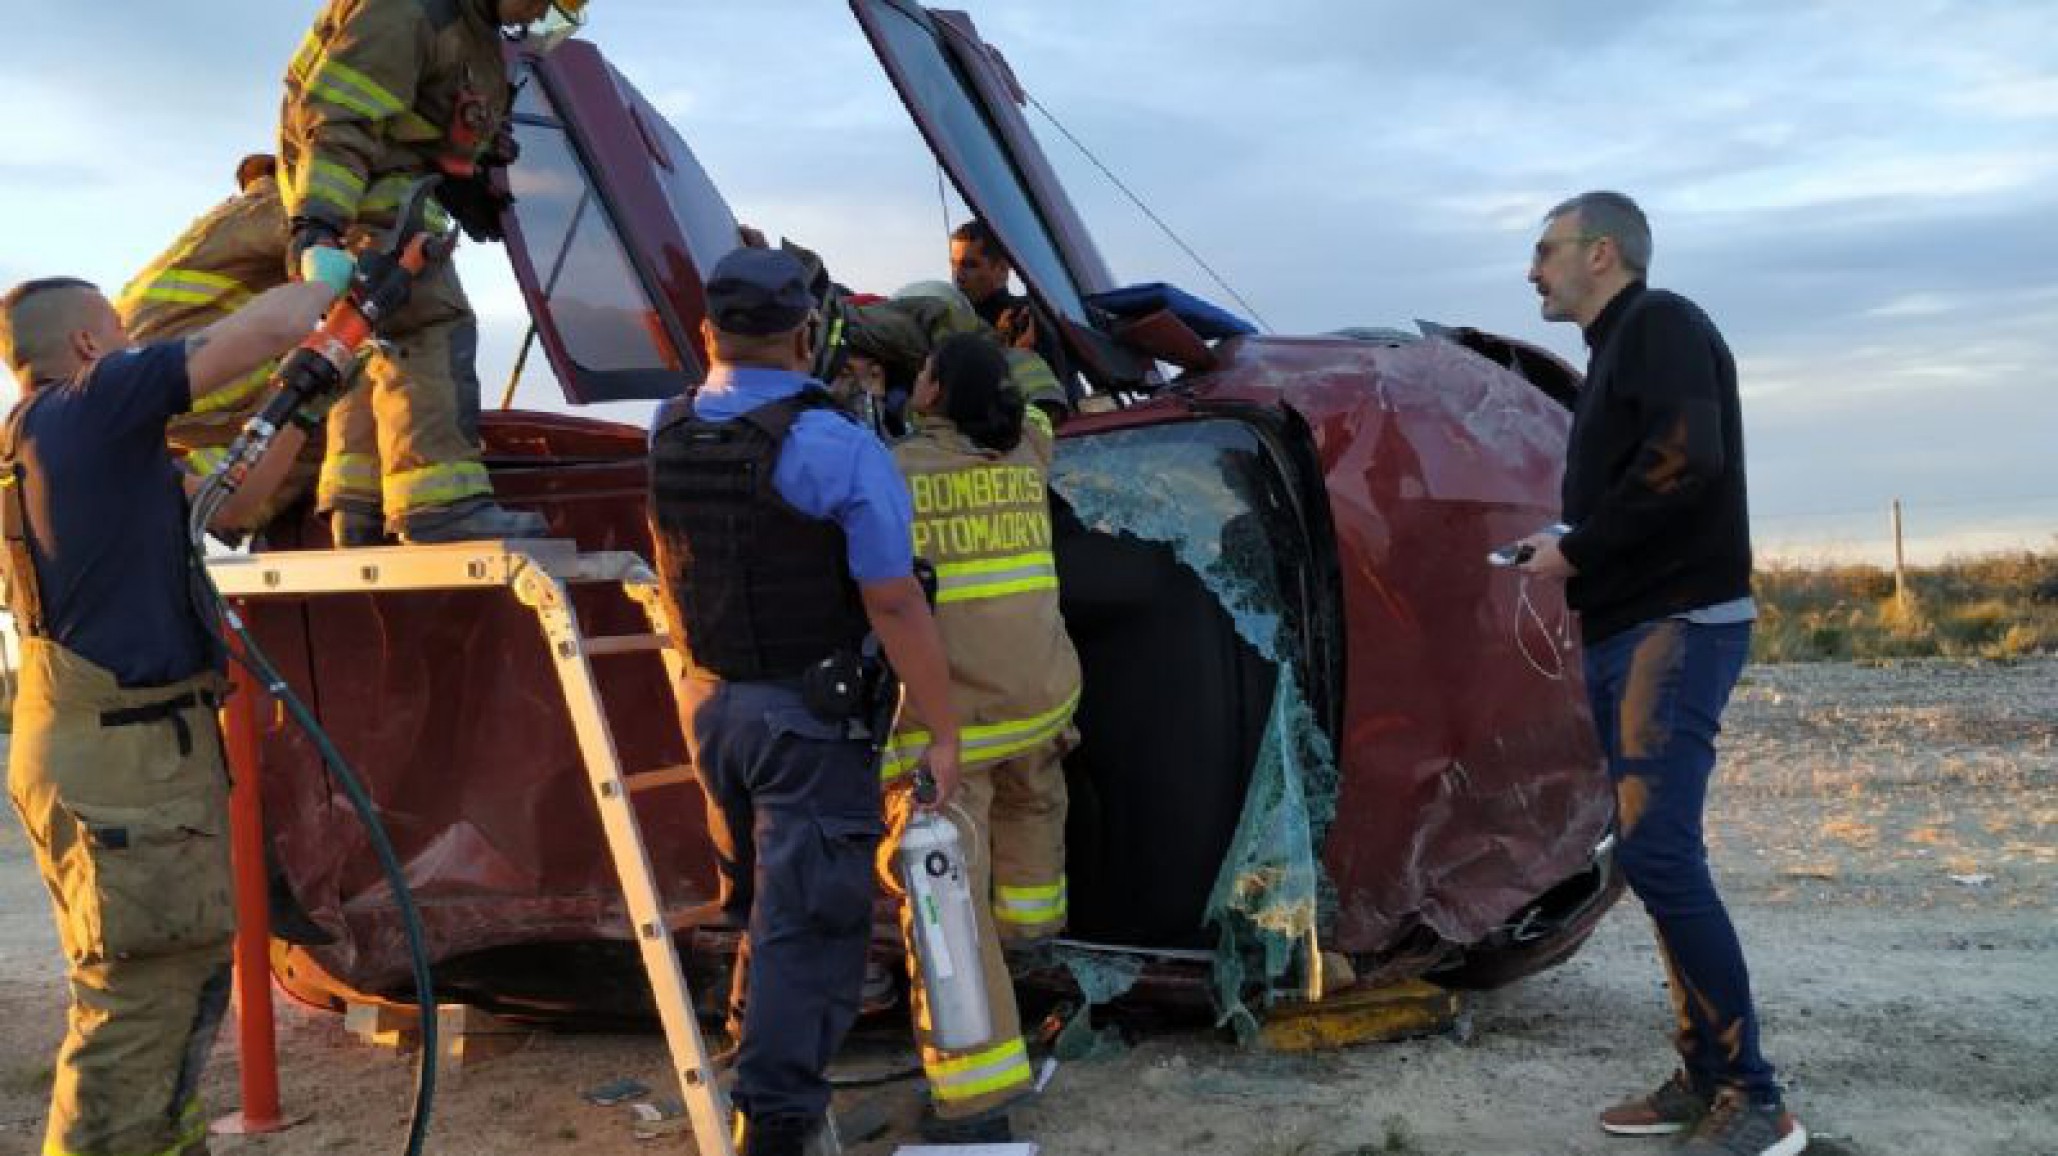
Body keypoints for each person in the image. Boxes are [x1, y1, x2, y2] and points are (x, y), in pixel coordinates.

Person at [0, 256, 356, 1156]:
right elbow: (266, 326)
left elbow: (234, 500)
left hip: (126, 752)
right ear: (88, 343)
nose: (129, 343)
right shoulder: (87, 406)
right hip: (119, 762)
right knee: (136, 1007)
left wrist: (307, 390)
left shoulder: (80, 453)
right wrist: (332, 280)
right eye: (117, 330)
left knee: (182, 982)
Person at [647, 247, 962, 1156]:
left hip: (710, 708)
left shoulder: (666, 428)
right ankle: (778, 1126)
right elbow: (895, 600)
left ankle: (758, 1073)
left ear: (707, 332)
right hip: (806, 721)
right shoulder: (836, 447)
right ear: (803, 335)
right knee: (813, 923)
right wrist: (942, 732)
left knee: (760, 905)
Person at [1515, 190, 1807, 1156]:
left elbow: (1690, 466)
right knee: (1652, 854)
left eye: (1545, 250)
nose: (1532, 270)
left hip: (1675, 626)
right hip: (1636, 624)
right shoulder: (1619, 350)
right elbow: (1647, 479)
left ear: (1603, 253)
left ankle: (1754, 1099)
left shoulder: (1662, 326)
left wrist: (1581, 549)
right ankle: (1703, 1078)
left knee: (1661, 853)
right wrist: (1568, 541)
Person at [138, 0, 591, 547]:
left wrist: (472, 170)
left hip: (386, 190)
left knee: (365, 345)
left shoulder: (472, 26)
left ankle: (354, 504)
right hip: (360, 195)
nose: (542, 10)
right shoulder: (405, 10)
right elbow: (339, 119)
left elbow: (435, 115)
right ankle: (440, 506)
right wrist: (320, 225)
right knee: (431, 322)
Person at [883, 332, 1081, 1144]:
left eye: (923, 371)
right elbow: (1042, 393)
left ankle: (973, 1102)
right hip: (1042, 703)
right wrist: (988, 332)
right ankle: (1030, 971)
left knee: (943, 908)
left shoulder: (893, 472)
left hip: (951, 732)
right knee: (1026, 849)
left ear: (930, 393)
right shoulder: (1029, 451)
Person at [120, 154, 322, 533]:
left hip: (153, 381)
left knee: (303, 394)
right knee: (326, 397)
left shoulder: (214, 226)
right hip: (192, 370)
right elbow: (327, 242)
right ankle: (227, 506)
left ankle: (199, 488)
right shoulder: (275, 201)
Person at [948, 220, 1074, 405]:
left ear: (1002, 269)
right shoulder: (950, 320)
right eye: (954, 264)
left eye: (970, 265)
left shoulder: (1022, 317)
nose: (958, 276)